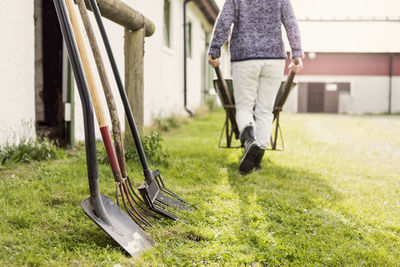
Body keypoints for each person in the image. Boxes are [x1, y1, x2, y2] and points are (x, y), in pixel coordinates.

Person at [208, 0, 304, 175]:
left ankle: (250, 142)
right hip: (274, 58)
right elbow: (291, 22)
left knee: (244, 106)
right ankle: (256, 158)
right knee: (265, 111)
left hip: (244, 58)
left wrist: (215, 49)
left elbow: (224, 21)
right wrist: (296, 53)